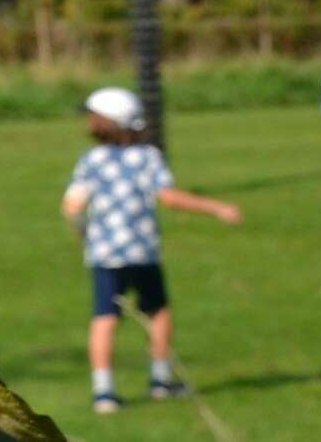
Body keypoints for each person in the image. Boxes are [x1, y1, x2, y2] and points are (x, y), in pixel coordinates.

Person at [62, 85, 243, 414]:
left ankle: (104, 392)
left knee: (104, 317)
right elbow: (169, 197)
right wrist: (216, 207)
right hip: (141, 251)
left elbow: (72, 206)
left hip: (104, 255)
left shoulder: (91, 160)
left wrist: (85, 233)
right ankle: (161, 381)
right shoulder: (147, 157)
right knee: (158, 311)